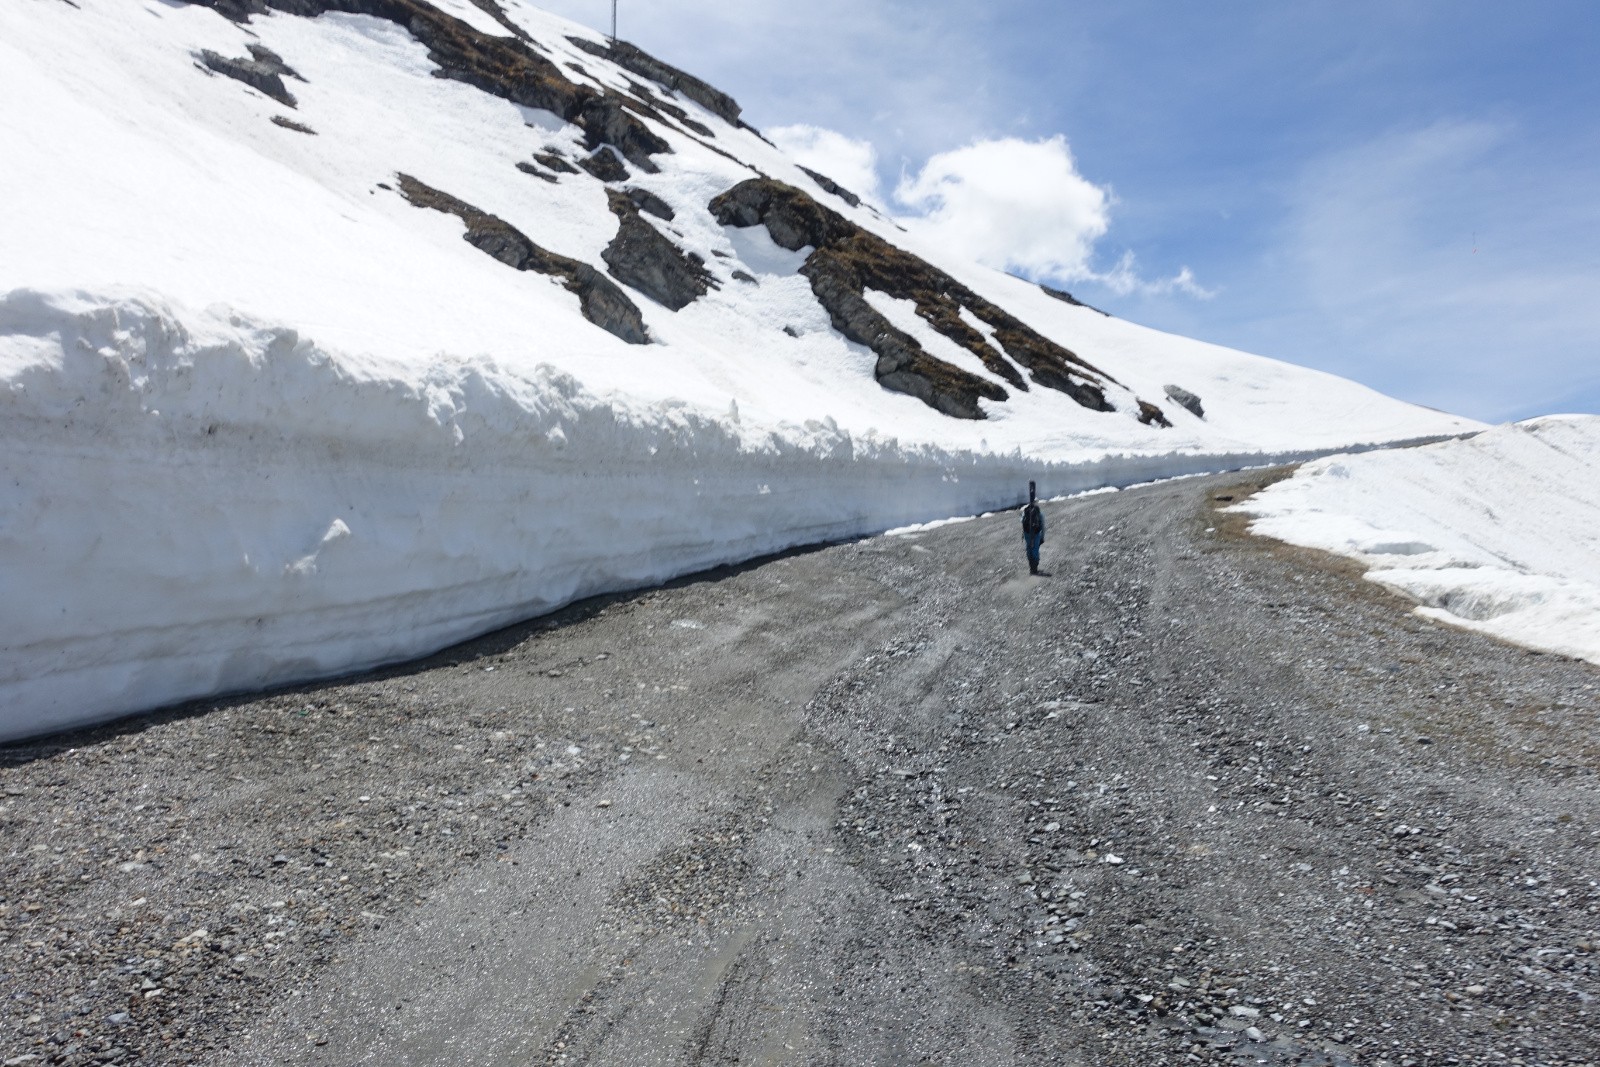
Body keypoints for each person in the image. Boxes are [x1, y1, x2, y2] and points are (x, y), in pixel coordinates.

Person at [1021, 481, 1045, 574]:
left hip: (1027, 532)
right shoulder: (1039, 512)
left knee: (1029, 548)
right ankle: (1034, 569)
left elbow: (1022, 520)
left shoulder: (1026, 510)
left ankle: (1031, 568)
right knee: (1035, 549)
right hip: (1036, 533)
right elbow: (1043, 525)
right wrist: (1042, 536)